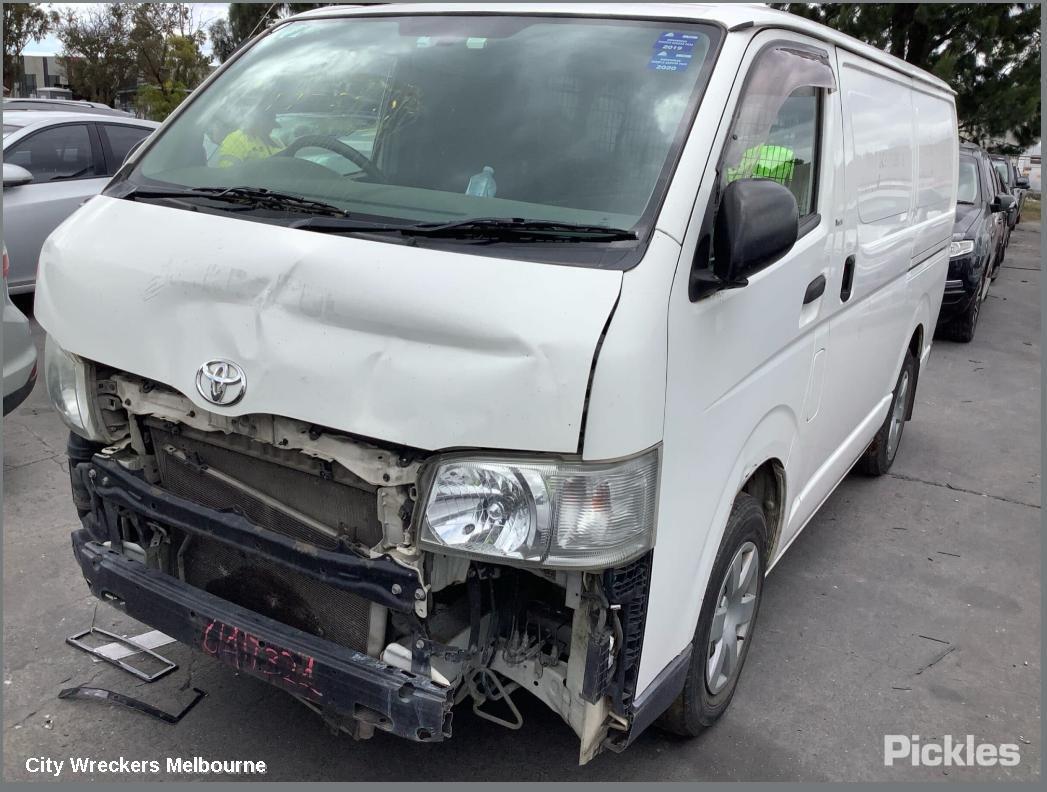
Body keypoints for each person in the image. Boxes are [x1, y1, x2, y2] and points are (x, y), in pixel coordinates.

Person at [214, 102, 284, 168]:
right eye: (268, 125)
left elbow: (288, 160)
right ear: (256, 121)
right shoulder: (235, 140)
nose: (271, 129)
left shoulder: (276, 141)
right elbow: (227, 173)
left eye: (272, 126)